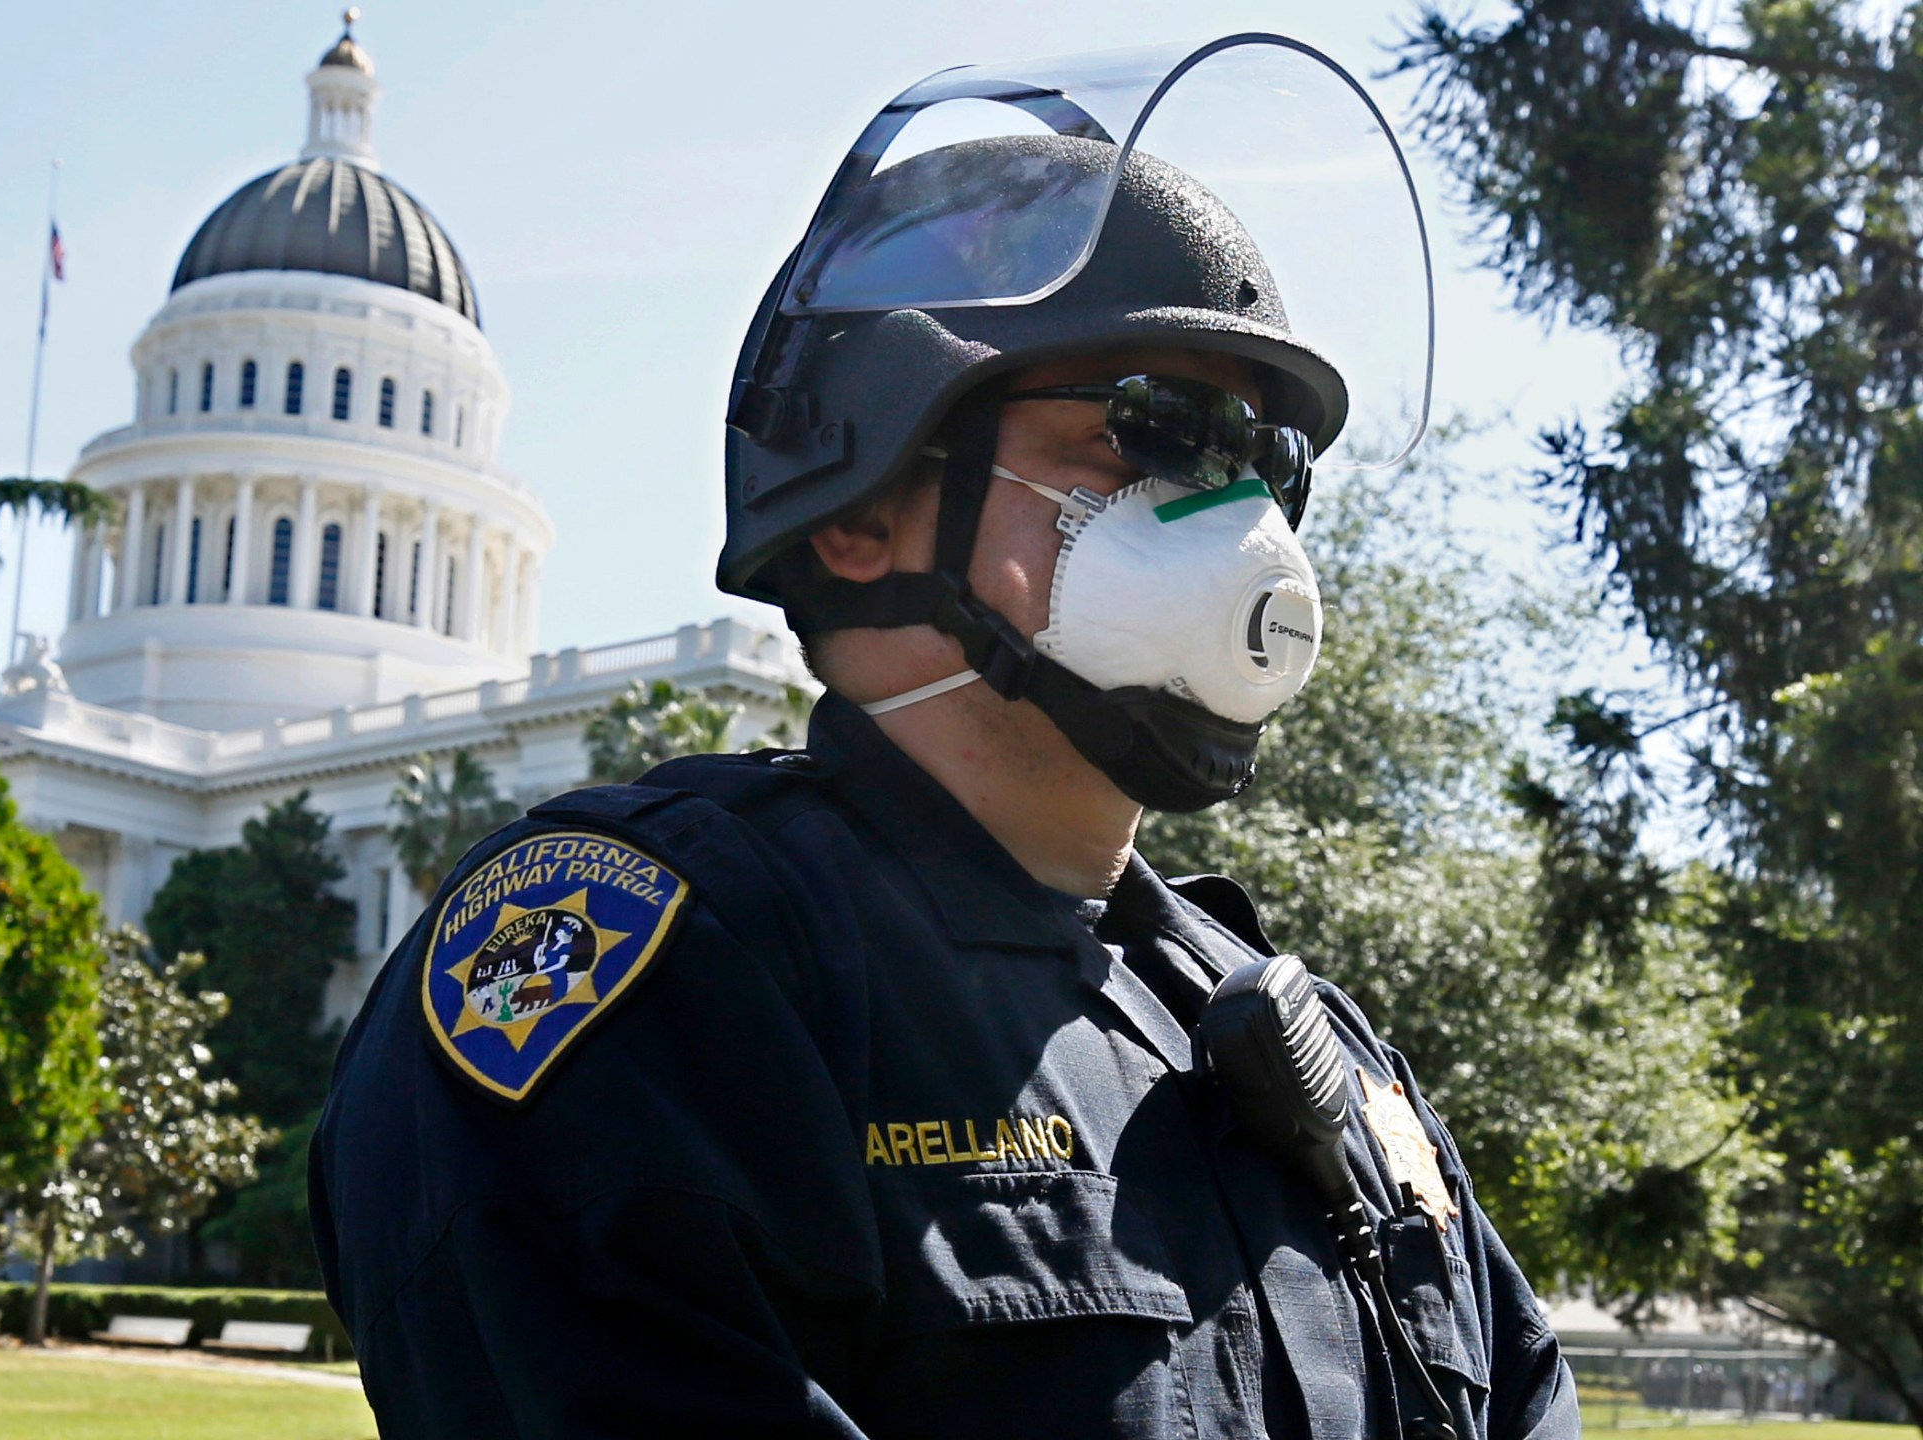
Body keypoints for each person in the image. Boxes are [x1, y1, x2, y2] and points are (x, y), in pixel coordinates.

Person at [312, 41, 1578, 1439]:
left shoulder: (1315, 1055)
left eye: (1262, 465)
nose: (1242, 527)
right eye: (1148, 434)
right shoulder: (660, 985)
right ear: (860, 504)